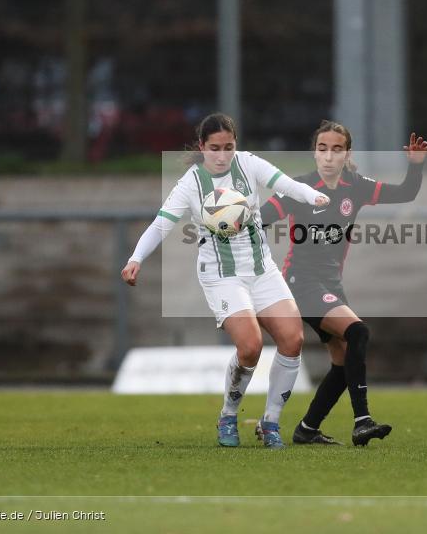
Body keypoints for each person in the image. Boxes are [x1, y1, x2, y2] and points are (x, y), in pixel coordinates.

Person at [121, 112, 329, 449]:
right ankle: (228, 415)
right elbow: (161, 224)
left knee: (293, 339)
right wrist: (135, 258)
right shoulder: (191, 182)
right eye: (214, 148)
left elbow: (284, 183)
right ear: (202, 146)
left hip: (261, 270)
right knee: (250, 346)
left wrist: (312, 196)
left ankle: (270, 423)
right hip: (222, 276)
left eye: (228, 147)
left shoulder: (247, 163)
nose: (222, 155)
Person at [258, 120, 427, 446]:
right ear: (314, 153)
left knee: (343, 361)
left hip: (330, 284)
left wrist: (416, 165)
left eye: (336, 149)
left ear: (347, 154)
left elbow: (406, 192)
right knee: (358, 332)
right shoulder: (299, 188)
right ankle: (362, 420)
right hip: (301, 281)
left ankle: (307, 429)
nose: (329, 156)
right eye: (322, 149)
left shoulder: (356, 186)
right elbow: (262, 218)